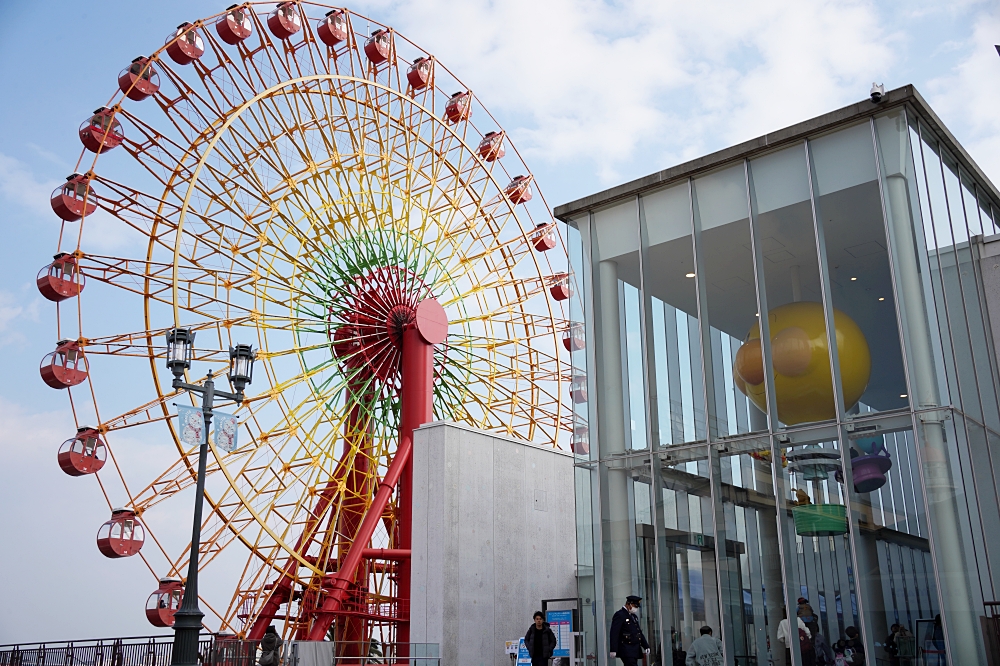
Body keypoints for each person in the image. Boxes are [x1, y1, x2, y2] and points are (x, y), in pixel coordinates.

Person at [610, 595, 650, 666]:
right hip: (626, 648)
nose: (635, 608)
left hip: (634, 649)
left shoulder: (633, 616)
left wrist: (646, 646)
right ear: (628, 604)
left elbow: (638, 632)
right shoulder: (620, 615)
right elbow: (614, 633)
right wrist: (613, 649)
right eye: (635, 606)